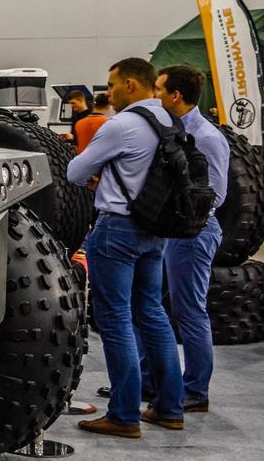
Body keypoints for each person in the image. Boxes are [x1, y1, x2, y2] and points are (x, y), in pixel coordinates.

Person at [68, 58, 185, 438]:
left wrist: (99, 180)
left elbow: (74, 172)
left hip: (117, 229)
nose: (109, 93)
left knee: (115, 319)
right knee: (152, 313)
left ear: (131, 85)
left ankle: (123, 415)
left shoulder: (121, 125)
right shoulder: (172, 122)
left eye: (113, 85)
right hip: (156, 230)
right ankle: (169, 408)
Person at [156, 64, 229, 413]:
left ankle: (195, 391)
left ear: (176, 95)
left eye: (158, 89)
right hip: (171, 231)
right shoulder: (171, 130)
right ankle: (151, 382)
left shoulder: (207, 138)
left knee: (189, 312)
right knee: (153, 306)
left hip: (194, 233)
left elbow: (214, 194)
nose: (154, 95)